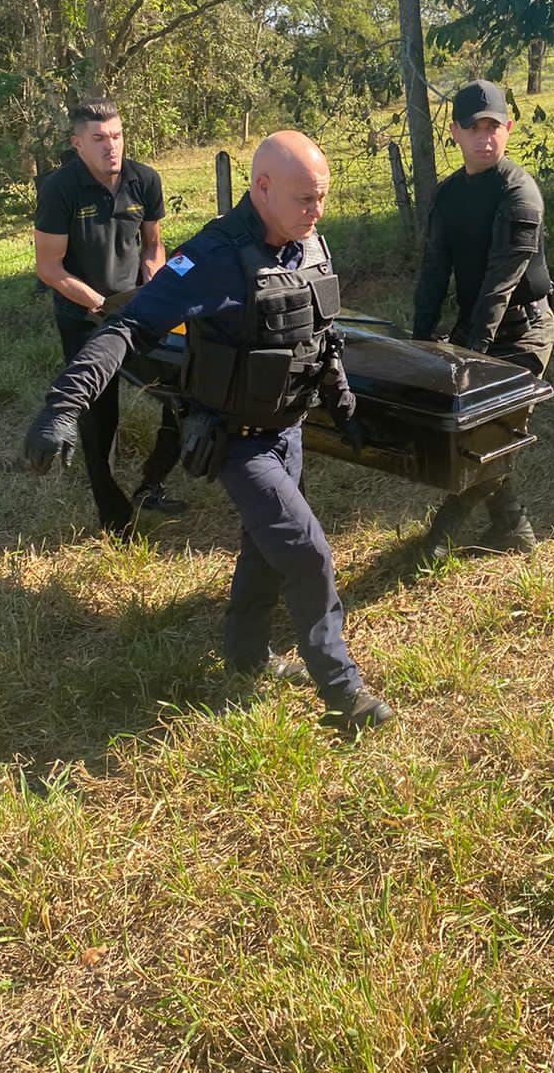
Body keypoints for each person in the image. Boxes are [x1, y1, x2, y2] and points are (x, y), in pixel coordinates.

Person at [23, 130, 394, 735]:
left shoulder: (306, 241)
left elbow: (319, 333)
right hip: (235, 438)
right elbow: (127, 327)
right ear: (262, 188)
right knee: (305, 550)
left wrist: (342, 401)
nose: (317, 211)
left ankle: (246, 656)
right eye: (305, 198)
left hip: (288, 428)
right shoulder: (213, 256)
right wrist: (63, 406)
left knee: (266, 547)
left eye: (322, 198)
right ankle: (342, 690)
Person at [412, 78, 554, 556]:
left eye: (493, 126)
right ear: (454, 131)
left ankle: (443, 531)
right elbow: (434, 270)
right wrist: (419, 344)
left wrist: (471, 355)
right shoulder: (449, 196)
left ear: (508, 129)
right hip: (476, 325)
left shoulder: (520, 193)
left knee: (491, 428)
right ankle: (514, 529)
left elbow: (501, 281)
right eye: (474, 127)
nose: (484, 136)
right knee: (482, 430)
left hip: (524, 328)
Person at [34, 98, 184, 535]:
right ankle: (112, 512)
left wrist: (155, 285)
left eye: (116, 136)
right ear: (77, 143)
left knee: (182, 391)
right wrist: (97, 304)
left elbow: (152, 245)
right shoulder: (60, 189)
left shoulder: (144, 180)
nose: (110, 146)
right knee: (100, 414)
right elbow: (49, 267)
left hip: (138, 310)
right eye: (98, 139)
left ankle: (151, 482)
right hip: (84, 316)